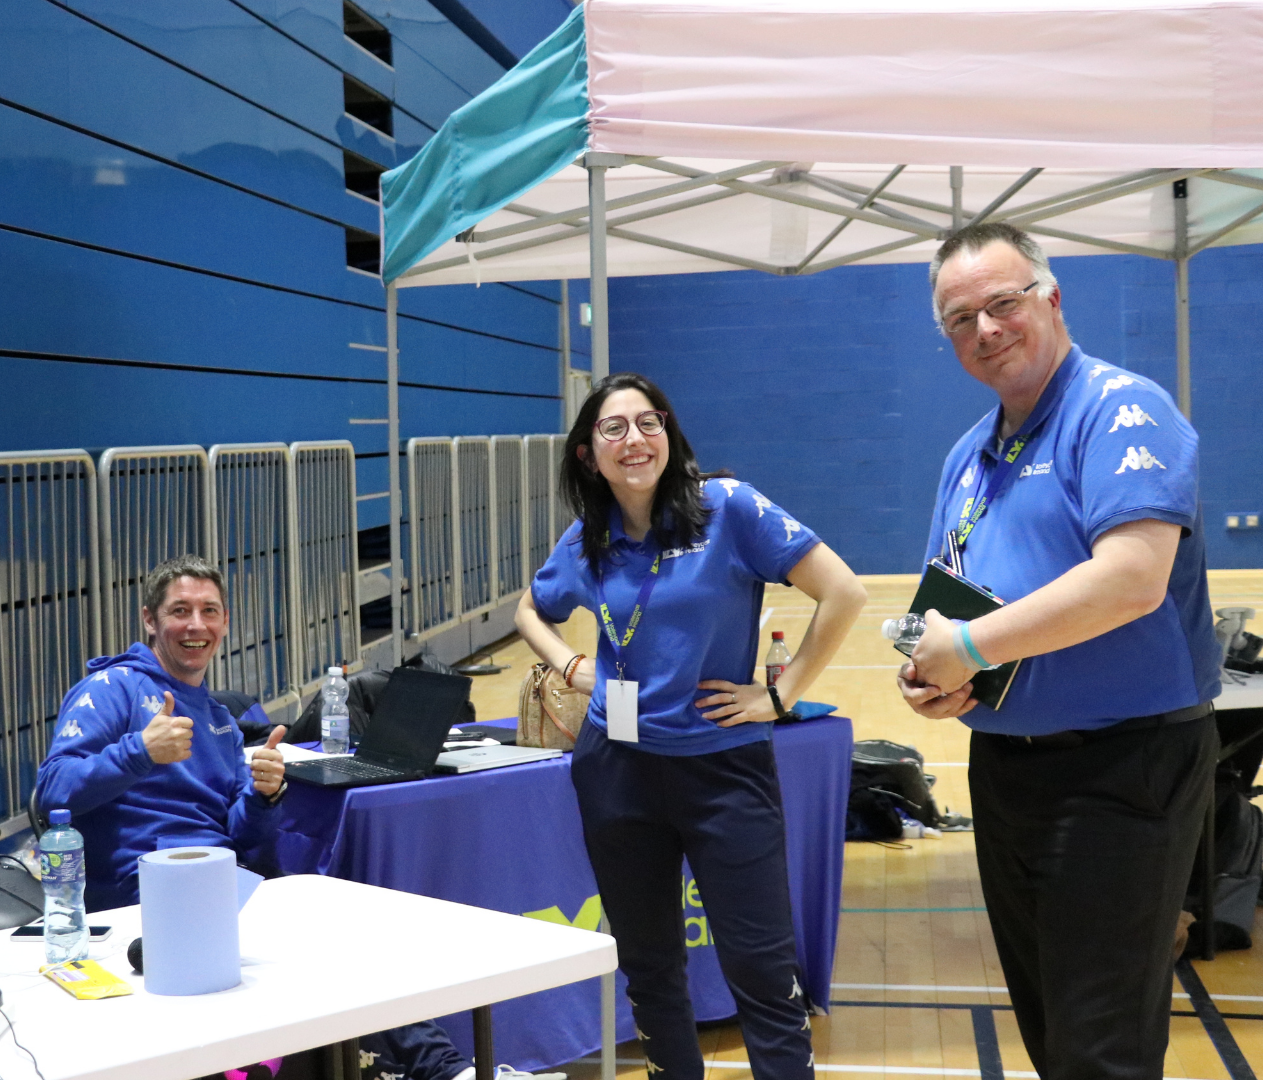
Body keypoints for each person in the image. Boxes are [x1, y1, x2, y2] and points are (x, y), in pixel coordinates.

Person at [899, 222, 1220, 1080]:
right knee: (1051, 1034)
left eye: (1002, 303)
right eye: (960, 320)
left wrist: (968, 644)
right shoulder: (969, 455)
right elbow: (950, 598)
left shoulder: (1119, 409)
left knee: (1099, 1050)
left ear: (1051, 298)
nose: (985, 330)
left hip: (1122, 768)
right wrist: (934, 673)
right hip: (1008, 771)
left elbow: (1132, 580)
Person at [37, 555, 555, 1080]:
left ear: (225, 622)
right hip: (145, 895)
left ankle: (448, 1070)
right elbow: (51, 792)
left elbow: (247, 844)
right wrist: (138, 751)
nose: (196, 625)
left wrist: (263, 797)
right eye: (180, 611)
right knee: (329, 936)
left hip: (222, 884)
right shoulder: (112, 689)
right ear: (150, 620)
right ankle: (448, 1072)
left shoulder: (218, 719)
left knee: (359, 924)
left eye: (209, 611)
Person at [514, 372, 866, 1080]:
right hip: (616, 769)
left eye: (650, 422)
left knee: (762, 970)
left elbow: (844, 592)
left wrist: (781, 695)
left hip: (723, 770)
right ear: (588, 453)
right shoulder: (587, 539)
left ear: (670, 434)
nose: (635, 439)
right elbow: (530, 609)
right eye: (614, 428)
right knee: (649, 968)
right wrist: (572, 665)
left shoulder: (727, 508)